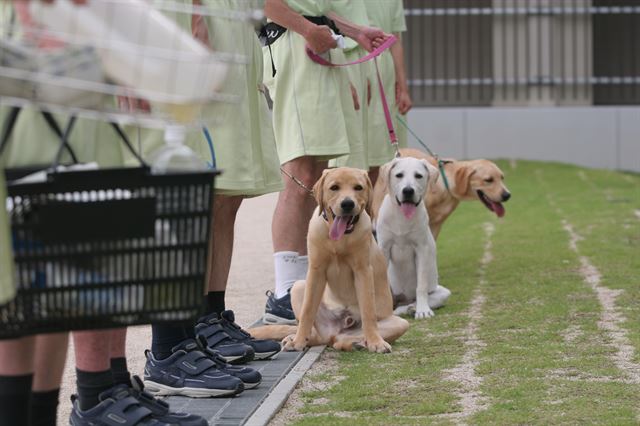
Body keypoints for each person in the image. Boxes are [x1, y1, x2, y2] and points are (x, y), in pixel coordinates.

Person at [122, 0, 283, 398]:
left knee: (216, 195)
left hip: (217, 31)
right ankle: (171, 344)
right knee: (185, 194)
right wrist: (196, 17)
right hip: (173, 32)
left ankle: (196, 326)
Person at [261, 0, 389, 324]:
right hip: (294, 47)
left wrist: (357, 32)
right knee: (299, 173)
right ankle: (284, 292)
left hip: (316, 47)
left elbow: (318, 8)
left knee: (316, 173)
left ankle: (302, 290)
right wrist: (307, 29)